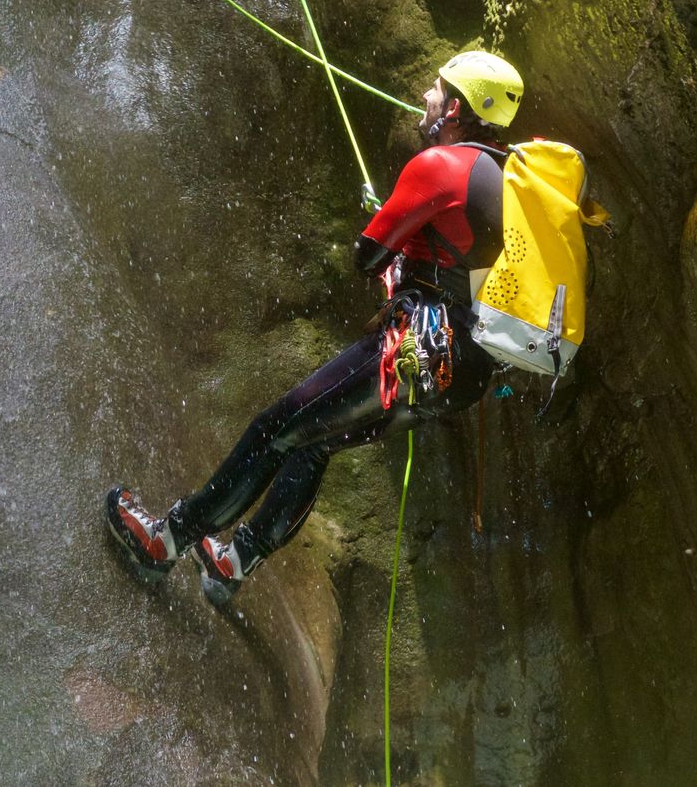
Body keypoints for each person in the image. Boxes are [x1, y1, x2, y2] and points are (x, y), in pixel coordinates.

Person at [106, 51, 524, 605]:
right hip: (459, 377)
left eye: (437, 88)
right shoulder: (508, 178)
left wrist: (393, 244)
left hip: (412, 355)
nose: (426, 95)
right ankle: (234, 561)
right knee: (313, 444)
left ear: (454, 108)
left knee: (275, 428)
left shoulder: (439, 167)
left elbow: (367, 256)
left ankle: (166, 540)